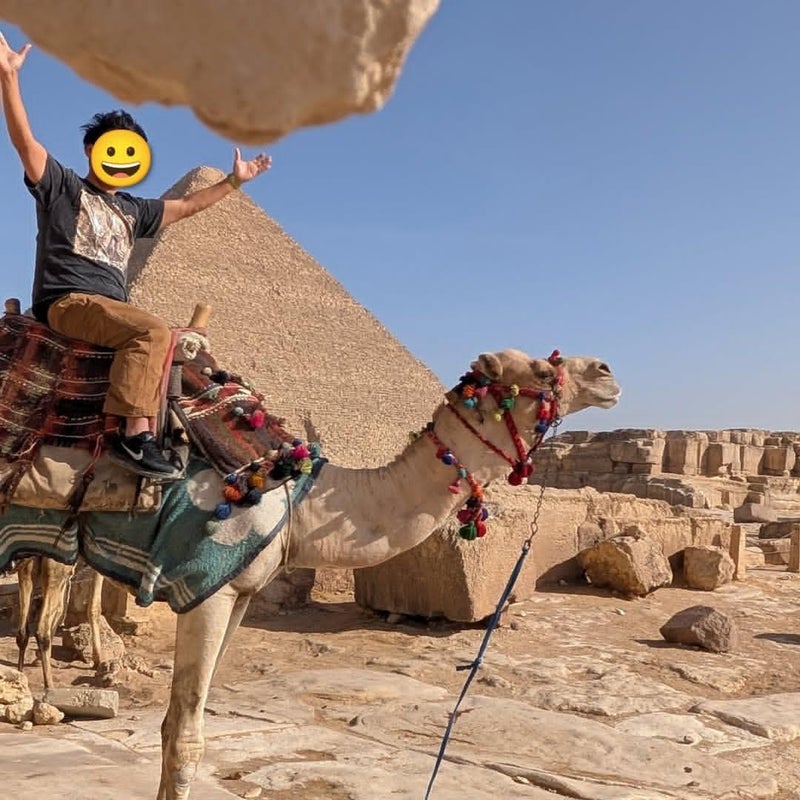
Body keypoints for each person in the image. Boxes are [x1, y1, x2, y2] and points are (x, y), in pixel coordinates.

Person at [0, 32, 272, 481]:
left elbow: (187, 206)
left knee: (179, 352)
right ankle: (132, 437)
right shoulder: (63, 188)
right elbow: (25, 143)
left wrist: (234, 181)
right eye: (113, 147)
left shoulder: (134, 210)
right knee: (151, 331)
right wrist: (9, 78)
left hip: (111, 308)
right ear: (92, 151)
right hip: (69, 301)